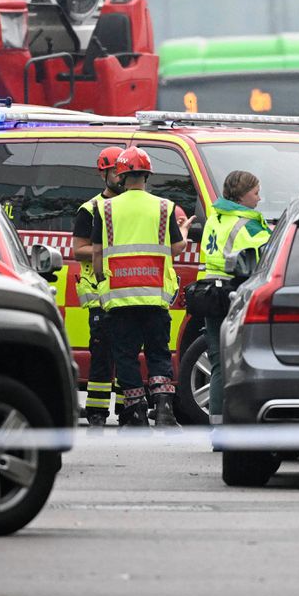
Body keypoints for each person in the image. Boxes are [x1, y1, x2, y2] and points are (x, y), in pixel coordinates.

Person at [92, 147, 190, 429]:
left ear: (121, 176)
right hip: (155, 295)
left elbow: (97, 252)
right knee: (159, 353)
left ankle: (135, 412)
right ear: (147, 174)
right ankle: (163, 409)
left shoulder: (105, 208)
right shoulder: (164, 207)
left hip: (119, 297)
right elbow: (174, 248)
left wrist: (102, 279)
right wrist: (183, 234)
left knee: (125, 355)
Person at [199, 171, 271, 425]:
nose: (259, 199)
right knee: (242, 365)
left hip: (210, 293)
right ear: (241, 196)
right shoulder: (247, 223)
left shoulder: (216, 216)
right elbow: (271, 253)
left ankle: (217, 428)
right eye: (255, 193)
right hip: (233, 295)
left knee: (218, 364)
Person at [72, 146, 126, 429]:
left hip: (130, 291)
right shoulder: (90, 210)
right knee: (102, 355)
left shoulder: (134, 208)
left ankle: (129, 410)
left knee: (128, 354)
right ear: (103, 173)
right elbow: (77, 249)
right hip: (100, 295)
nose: (121, 176)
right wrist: (106, 251)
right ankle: (96, 413)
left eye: (125, 171)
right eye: (116, 171)